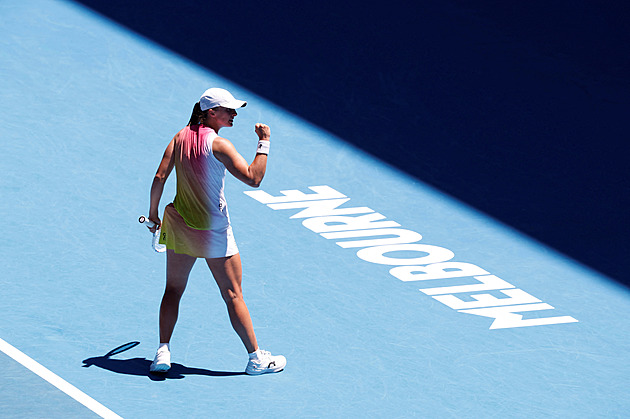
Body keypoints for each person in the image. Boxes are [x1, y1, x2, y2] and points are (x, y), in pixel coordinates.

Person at [146, 87, 286, 375]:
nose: (234, 114)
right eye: (229, 110)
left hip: (180, 226)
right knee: (233, 294)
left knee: (173, 289)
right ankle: (256, 359)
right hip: (213, 232)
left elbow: (160, 177)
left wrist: (153, 215)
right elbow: (254, 178)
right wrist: (264, 142)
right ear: (211, 113)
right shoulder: (220, 145)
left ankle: (162, 352)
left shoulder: (179, 137)